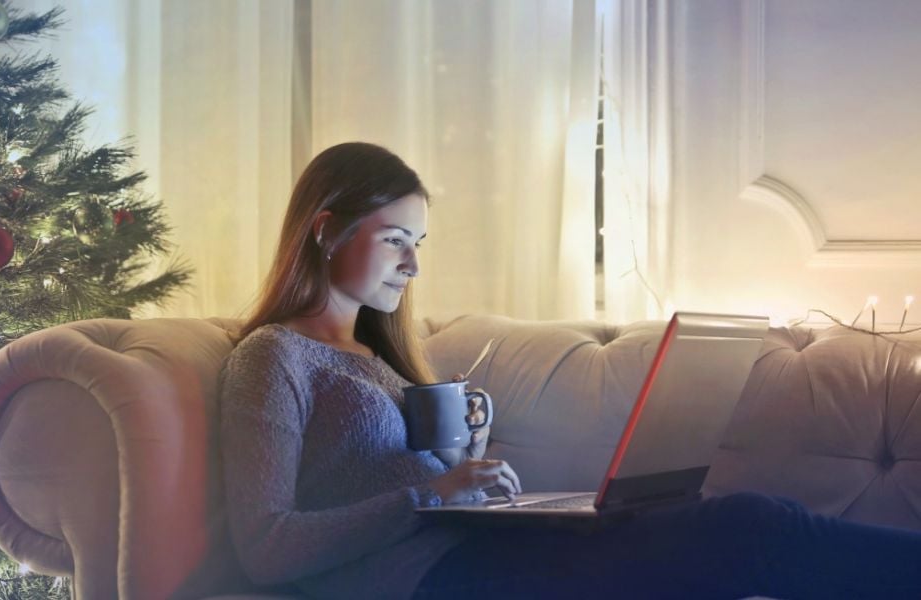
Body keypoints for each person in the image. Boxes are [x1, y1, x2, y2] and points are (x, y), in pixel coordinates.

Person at [217, 141, 921, 600]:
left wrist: (468, 462)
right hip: (428, 581)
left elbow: (408, 484)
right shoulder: (273, 358)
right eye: (396, 240)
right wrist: (433, 495)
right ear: (324, 228)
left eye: (419, 242)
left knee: (721, 522)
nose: (414, 263)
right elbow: (266, 549)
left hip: (475, 554)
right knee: (749, 528)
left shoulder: (381, 361)